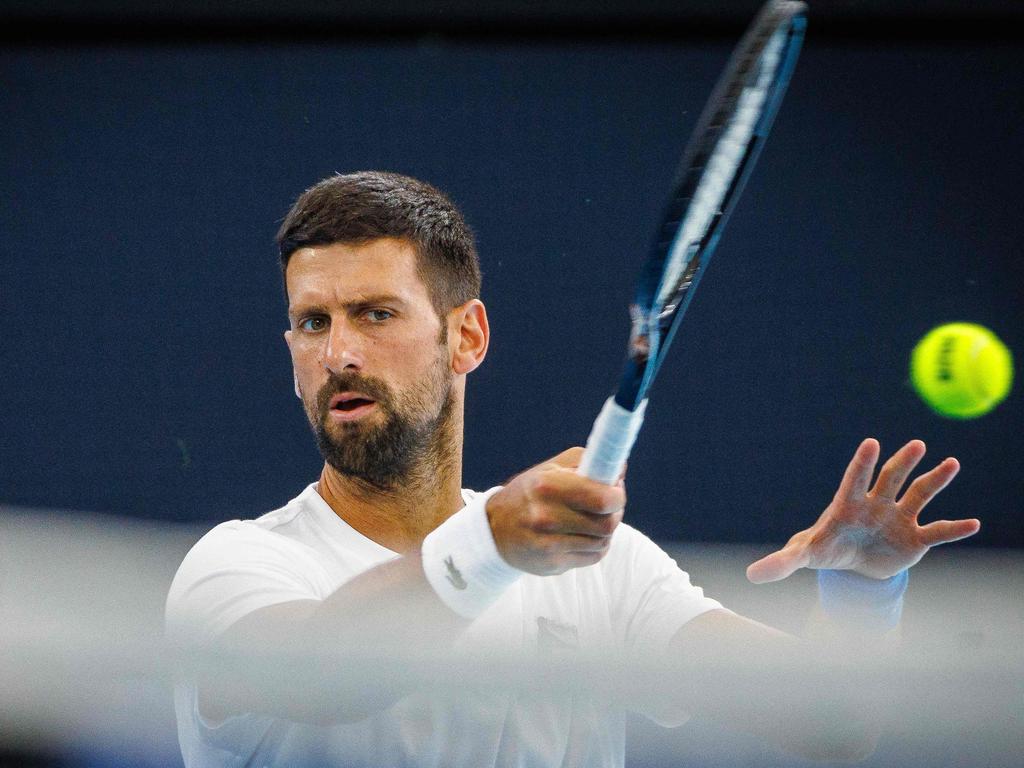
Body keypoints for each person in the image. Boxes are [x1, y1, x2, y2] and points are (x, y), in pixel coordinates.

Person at [165, 171, 980, 768]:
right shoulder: (239, 566)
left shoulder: (599, 566)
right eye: (312, 323)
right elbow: (315, 677)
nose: (338, 352)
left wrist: (867, 590)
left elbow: (831, 726)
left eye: (376, 314)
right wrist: (491, 542)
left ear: (467, 338)